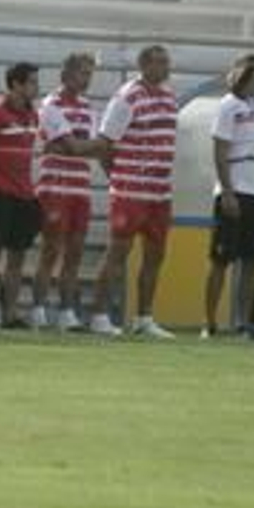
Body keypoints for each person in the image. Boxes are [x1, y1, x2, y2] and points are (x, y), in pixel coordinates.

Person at [90, 45, 179, 339]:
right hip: (131, 190)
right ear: (144, 65)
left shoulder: (169, 95)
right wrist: (118, 178)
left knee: (155, 255)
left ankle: (144, 318)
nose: (166, 67)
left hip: (159, 192)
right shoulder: (127, 97)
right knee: (118, 251)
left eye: (167, 62)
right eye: (160, 62)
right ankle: (99, 315)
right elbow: (105, 143)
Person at [203, 54, 254, 339]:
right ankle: (209, 323)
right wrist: (228, 191)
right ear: (252, 73)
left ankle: (242, 322)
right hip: (236, 189)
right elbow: (220, 151)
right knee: (222, 259)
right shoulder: (227, 106)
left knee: (252, 260)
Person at [34, 52, 103, 331]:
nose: (86, 79)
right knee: (50, 251)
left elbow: (97, 147)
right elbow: (77, 147)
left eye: (89, 74)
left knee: (75, 252)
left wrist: (76, 146)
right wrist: (81, 146)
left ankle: (66, 312)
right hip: (55, 186)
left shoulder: (88, 107)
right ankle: (38, 310)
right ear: (66, 74)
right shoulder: (51, 105)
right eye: (81, 73)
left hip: (79, 189)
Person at [0, 64, 42, 329]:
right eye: (31, 83)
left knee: (18, 256)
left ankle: (10, 313)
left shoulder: (32, 115)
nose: (36, 88)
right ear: (15, 84)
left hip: (24, 195)